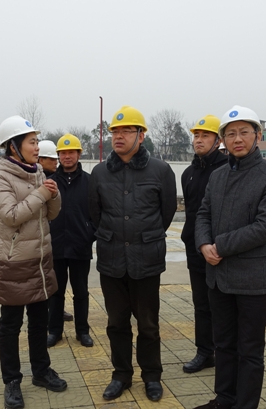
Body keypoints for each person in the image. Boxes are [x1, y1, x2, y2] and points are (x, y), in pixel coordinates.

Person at [194, 106, 266, 409]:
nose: (237, 139)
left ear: (257, 136)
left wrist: (218, 246)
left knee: (249, 350)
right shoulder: (218, 176)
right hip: (219, 279)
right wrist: (203, 244)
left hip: (253, 283)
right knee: (223, 344)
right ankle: (224, 399)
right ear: (222, 140)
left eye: (244, 132)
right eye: (231, 134)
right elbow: (203, 214)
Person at [89, 106, 177, 402]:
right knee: (116, 323)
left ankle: (152, 376)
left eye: (126, 131)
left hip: (146, 260)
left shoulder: (160, 170)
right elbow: (94, 214)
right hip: (111, 260)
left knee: (148, 325)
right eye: (115, 131)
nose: (119, 136)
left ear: (141, 135)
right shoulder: (99, 173)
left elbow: (167, 212)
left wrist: (144, 237)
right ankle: (121, 375)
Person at [0, 116, 67, 409]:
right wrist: (41, 193)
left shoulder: (37, 171)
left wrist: (53, 195)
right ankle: (12, 381)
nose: (37, 147)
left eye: (37, 141)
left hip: (40, 260)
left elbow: (51, 214)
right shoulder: (1, 176)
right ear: (14, 146)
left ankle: (41, 371)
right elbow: (10, 215)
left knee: (39, 322)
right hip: (14, 262)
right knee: (10, 325)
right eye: (32, 142)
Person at [180, 115, 228, 374]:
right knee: (201, 304)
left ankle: (226, 353)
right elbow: (191, 212)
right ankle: (204, 352)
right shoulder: (188, 173)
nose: (199, 140)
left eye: (205, 136)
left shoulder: (227, 169)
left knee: (222, 305)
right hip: (195, 249)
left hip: (221, 251)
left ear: (217, 141)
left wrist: (219, 244)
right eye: (196, 136)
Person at [47, 133, 96, 348]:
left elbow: (97, 212)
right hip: (56, 246)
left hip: (80, 246)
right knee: (55, 293)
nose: (67, 156)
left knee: (81, 292)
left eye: (71, 152)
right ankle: (54, 331)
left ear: (79, 154)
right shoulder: (50, 182)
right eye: (63, 153)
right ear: (58, 156)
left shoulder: (90, 181)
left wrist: (89, 233)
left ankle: (82, 331)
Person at [38, 139, 73, 322]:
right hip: (40, 238)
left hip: (56, 238)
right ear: (40, 160)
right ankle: (46, 312)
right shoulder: (36, 180)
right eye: (51, 159)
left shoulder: (54, 179)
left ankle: (55, 310)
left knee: (54, 279)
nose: (56, 162)